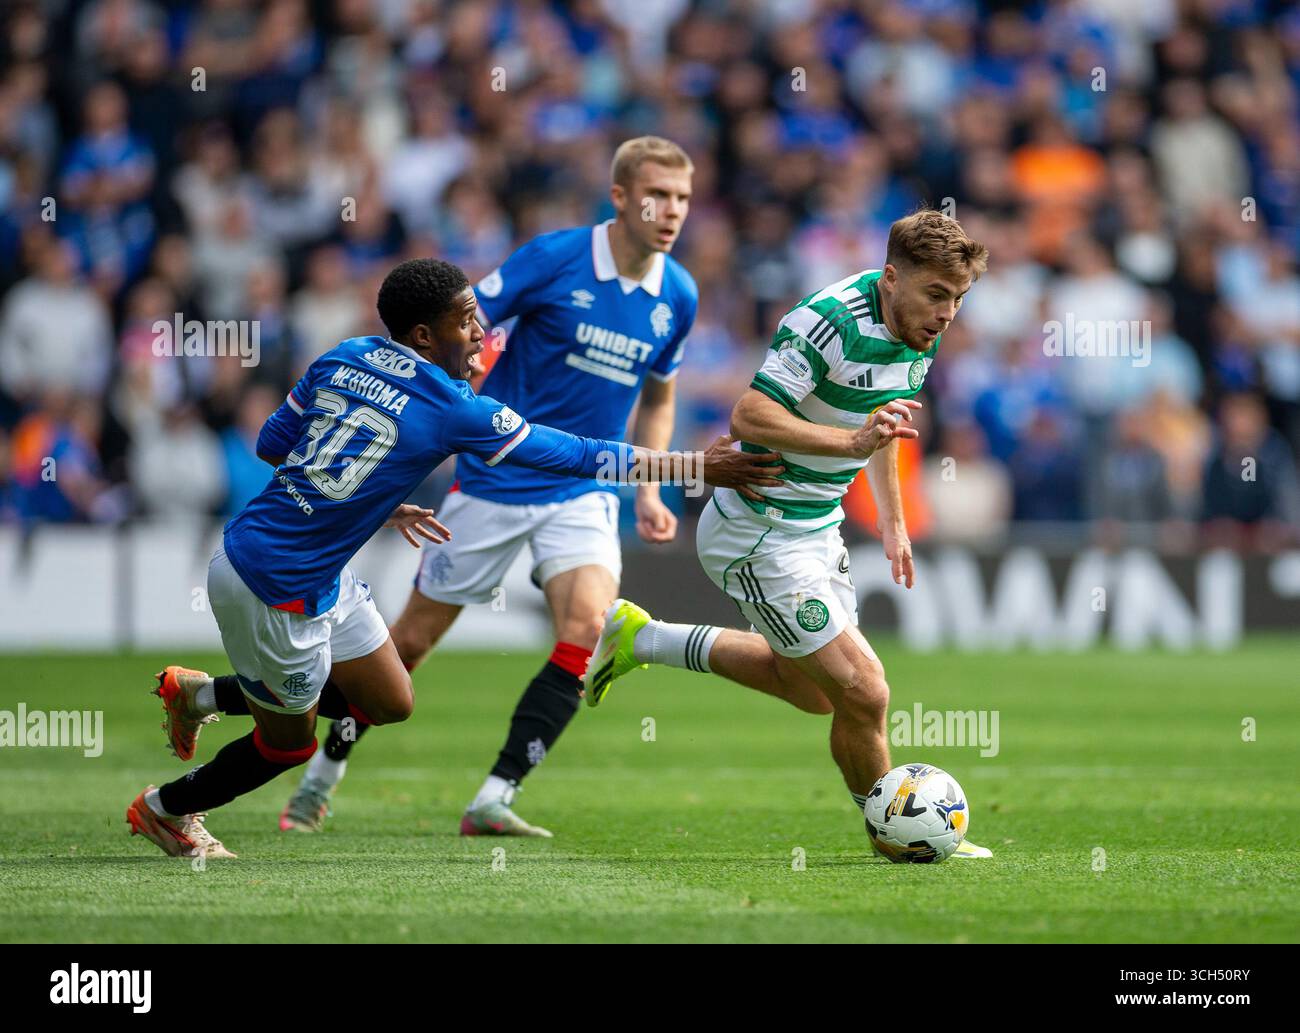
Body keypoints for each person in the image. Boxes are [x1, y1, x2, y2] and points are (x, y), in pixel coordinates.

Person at [126, 257, 779, 858]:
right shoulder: (452, 409)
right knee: (286, 743)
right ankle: (167, 808)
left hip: (308, 569)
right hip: (272, 588)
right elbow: (579, 454)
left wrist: (373, 498)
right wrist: (697, 464)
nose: (479, 333)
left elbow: (276, 443)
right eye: (465, 322)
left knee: (389, 699)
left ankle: (201, 692)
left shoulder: (343, 355)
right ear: (422, 335)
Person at [280, 136, 708, 837]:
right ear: (622, 196)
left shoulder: (678, 295)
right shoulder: (553, 258)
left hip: (583, 487)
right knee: (407, 649)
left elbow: (660, 395)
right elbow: (463, 323)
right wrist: (464, 385)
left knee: (585, 629)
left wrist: (652, 488)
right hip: (495, 480)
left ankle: (494, 795)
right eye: (657, 194)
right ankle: (322, 774)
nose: (672, 211)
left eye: (683, 198)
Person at [582, 209, 995, 859]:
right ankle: (897, 829)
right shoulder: (828, 322)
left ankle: (643, 637)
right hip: (759, 529)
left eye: (958, 299)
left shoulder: (921, 329)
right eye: (937, 295)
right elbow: (752, 412)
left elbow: (884, 426)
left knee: (812, 691)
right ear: (891, 279)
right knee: (865, 689)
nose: (947, 314)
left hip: (817, 524)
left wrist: (892, 520)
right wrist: (849, 440)